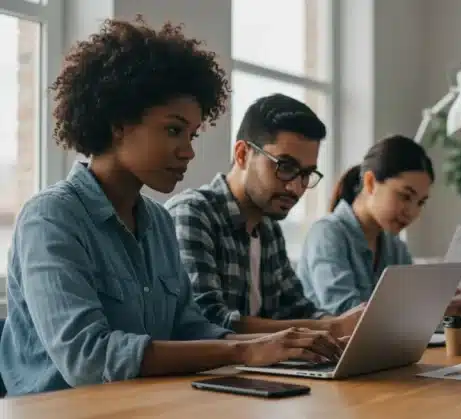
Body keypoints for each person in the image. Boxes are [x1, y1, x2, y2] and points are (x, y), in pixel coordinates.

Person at [0, 17, 344, 397]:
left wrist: (280, 345)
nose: (188, 151)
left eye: (192, 135)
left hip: (145, 405)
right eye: (173, 130)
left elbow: (190, 328)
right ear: (119, 123)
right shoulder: (51, 218)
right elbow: (88, 357)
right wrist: (246, 349)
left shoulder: (159, 222)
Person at [165, 94, 363, 339]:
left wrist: (349, 323)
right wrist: (331, 328)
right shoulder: (193, 213)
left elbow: (296, 308)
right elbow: (208, 321)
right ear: (242, 154)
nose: (295, 188)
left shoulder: (269, 227)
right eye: (285, 167)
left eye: (306, 174)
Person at [296, 135, 461, 316]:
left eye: (420, 202)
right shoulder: (327, 234)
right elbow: (346, 312)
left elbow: (406, 308)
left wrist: (440, 309)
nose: (412, 212)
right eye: (405, 196)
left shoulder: (396, 247)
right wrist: (422, 309)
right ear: (370, 183)